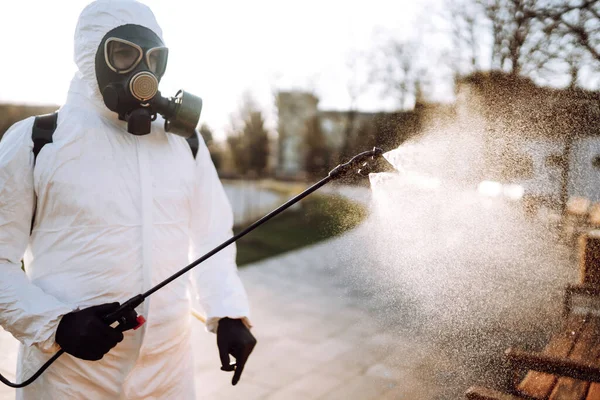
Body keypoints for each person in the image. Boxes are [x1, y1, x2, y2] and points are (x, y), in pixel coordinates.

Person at [0, 0, 256, 398]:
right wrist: (54, 324)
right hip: (70, 377)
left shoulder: (184, 143)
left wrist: (228, 312)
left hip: (169, 372)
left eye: (154, 59)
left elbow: (212, 235)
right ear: (90, 55)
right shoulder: (37, 141)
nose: (144, 73)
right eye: (124, 53)